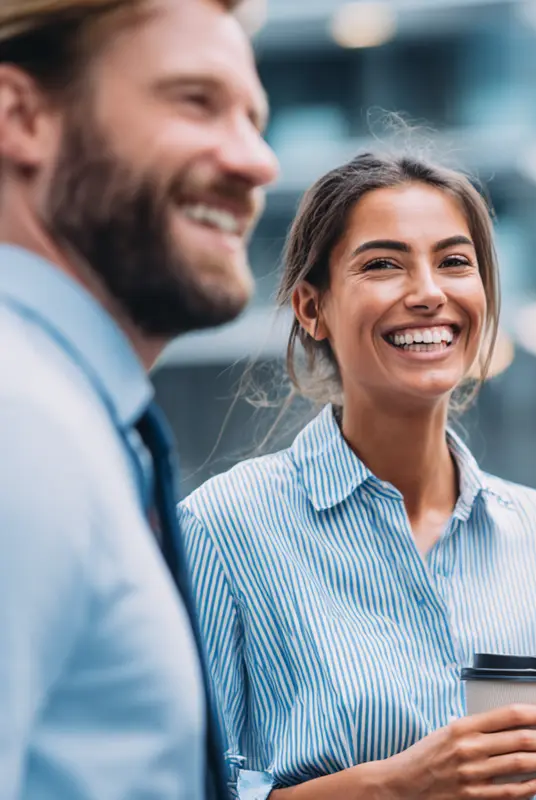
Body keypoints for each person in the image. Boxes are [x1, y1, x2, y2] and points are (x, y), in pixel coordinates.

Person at [178, 151, 536, 800]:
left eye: (454, 262)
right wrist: (397, 786)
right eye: (383, 265)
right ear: (312, 308)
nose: (427, 293)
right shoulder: (224, 530)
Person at [0, 1, 278, 799]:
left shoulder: (75, 424)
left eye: (255, 118)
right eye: (195, 101)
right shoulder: (20, 425)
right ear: (22, 117)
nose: (257, 161)